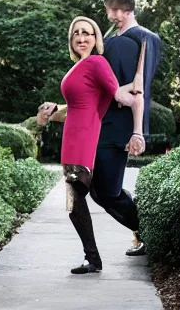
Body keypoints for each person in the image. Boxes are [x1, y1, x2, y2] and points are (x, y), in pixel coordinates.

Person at [36, 16, 141, 274]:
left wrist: (135, 104)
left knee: (79, 199)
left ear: (96, 39)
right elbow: (75, 109)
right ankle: (92, 259)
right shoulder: (77, 67)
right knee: (80, 201)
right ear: (71, 40)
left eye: (87, 33)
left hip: (85, 138)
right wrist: (52, 110)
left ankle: (95, 258)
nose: (82, 38)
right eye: (77, 34)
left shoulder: (96, 62)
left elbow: (115, 92)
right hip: (72, 138)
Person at [100, 0, 162, 256]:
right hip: (100, 119)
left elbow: (141, 85)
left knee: (108, 191)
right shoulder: (107, 37)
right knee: (99, 191)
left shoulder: (145, 38)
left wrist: (139, 132)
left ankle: (150, 232)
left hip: (123, 122)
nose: (112, 16)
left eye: (115, 10)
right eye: (109, 10)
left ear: (128, 9)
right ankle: (146, 232)